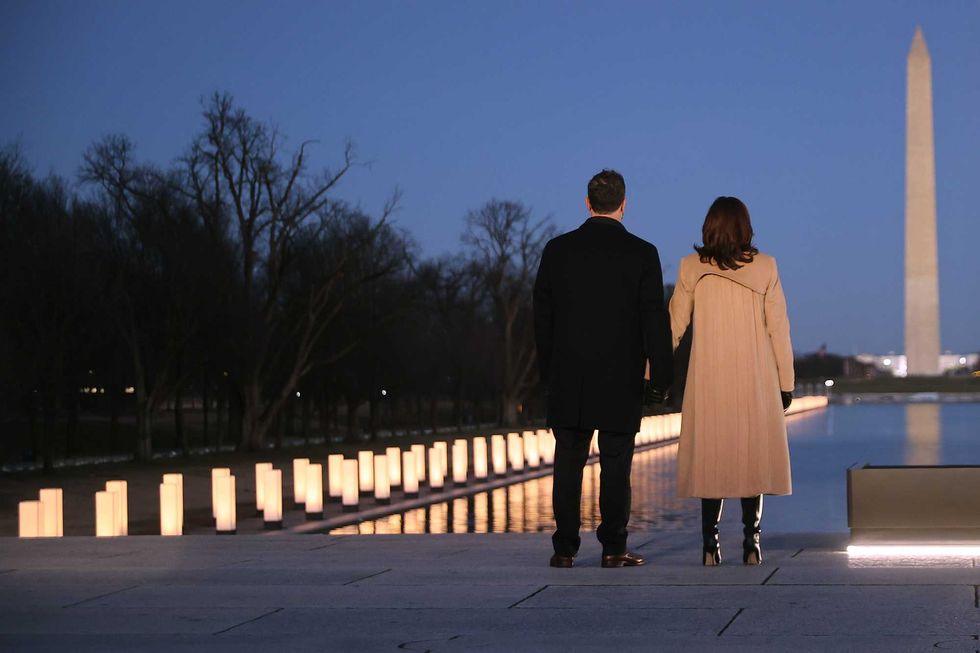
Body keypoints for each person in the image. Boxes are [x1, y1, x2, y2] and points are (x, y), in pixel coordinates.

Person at [532, 169, 674, 569]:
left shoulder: (557, 250)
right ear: (624, 204)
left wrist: (548, 372)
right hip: (620, 376)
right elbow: (653, 322)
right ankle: (613, 547)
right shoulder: (642, 254)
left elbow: (542, 319)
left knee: (568, 463)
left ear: (587, 202)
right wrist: (662, 378)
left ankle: (564, 548)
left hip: (569, 375)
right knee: (616, 466)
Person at [669, 196, 794, 566]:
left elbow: (674, 326)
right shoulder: (767, 267)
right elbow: (779, 331)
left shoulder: (691, 267)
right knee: (750, 460)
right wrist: (785, 382)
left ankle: (710, 544)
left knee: (713, 459)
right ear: (745, 226)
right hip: (755, 378)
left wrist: (651, 373)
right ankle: (752, 542)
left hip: (709, 377)